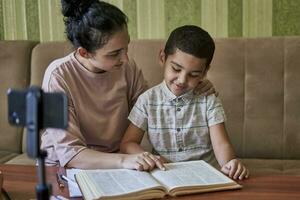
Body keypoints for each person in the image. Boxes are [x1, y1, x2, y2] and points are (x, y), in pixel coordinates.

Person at [41, 0, 215, 169]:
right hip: (64, 169)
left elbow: (153, 108)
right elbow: (70, 154)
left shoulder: (126, 67)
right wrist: (125, 160)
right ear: (84, 53)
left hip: (119, 164)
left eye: (126, 47)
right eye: (115, 53)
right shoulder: (58, 77)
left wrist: (194, 89)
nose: (124, 58)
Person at [120, 25, 249, 180]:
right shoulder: (147, 100)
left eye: (194, 74)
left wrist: (230, 163)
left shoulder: (208, 99)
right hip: (165, 175)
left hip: (205, 176)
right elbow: (128, 143)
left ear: (205, 72)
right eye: (176, 69)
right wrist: (147, 157)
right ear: (162, 58)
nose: (182, 80)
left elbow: (221, 144)